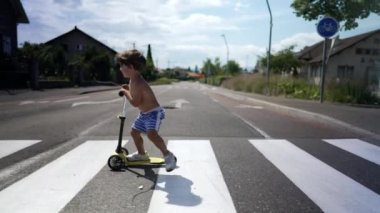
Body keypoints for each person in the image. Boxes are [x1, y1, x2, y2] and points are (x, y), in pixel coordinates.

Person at [116, 49, 177, 172]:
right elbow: (136, 94)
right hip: (144, 114)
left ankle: (168, 155)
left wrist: (126, 92)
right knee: (134, 132)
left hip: (154, 113)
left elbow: (135, 102)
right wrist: (128, 89)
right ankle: (141, 154)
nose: (120, 68)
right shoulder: (134, 80)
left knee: (152, 134)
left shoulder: (137, 82)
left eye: (122, 66)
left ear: (131, 67)